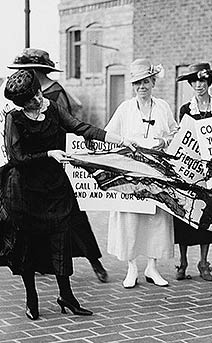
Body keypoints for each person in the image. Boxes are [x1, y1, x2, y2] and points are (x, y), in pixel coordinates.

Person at [0, 69, 135, 320]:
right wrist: (49, 154)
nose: (38, 100)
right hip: (25, 191)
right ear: (21, 103)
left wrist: (118, 140)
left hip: (56, 187)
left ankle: (67, 296)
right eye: (31, 100)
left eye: (38, 94)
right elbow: (16, 158)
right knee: (28, 245)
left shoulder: (51, 108)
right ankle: (32, 297)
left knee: (61, 240)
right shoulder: (14, 119)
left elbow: (79, 127)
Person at [6, 48, 108, 283]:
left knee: (73, 217)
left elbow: (68, 124)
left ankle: (94, 260)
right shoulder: (22, 97)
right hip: (34, 166)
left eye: (25, 70)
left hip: (56, 160)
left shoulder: (55, 93)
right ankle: (44, 261)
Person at [106, 59, 178, 288]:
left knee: (155, 219)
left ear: (153, 82)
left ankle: (152, 267)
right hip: (131, 173)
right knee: (130, 219)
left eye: (146, 81)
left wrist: (163, 140)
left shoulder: (162, 107)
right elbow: (109, 134)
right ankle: (131, 268)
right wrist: (125, 145)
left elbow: (176, 132)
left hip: (156, 172)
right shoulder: (125, 108)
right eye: (137, 83)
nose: (142, 87)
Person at [174, 62, 212, 281]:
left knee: (207, 213)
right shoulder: (186, 109)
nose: (199, 85)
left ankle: (204, 261)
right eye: (194, 81)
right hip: (189, 168)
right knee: (185, 213)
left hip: (209, 170)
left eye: (203, 81)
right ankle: (183, 261)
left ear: (209, 83)